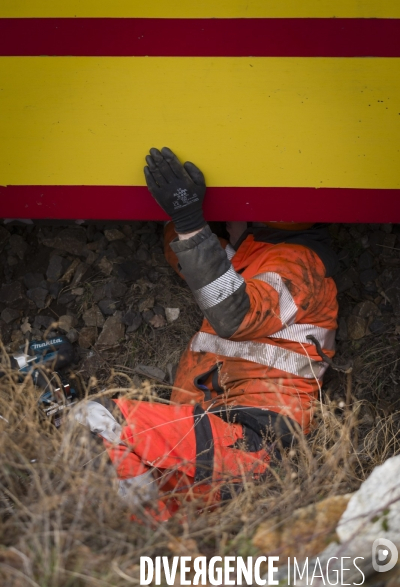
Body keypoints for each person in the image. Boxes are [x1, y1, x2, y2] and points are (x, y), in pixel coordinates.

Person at [70, 147, 338, 520]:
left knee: (94, 421)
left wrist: (189, 215)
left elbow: (235, 313)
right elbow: (193, 263)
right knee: (113, 486)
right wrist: (181, 215)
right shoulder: (250, 261)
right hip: (217, 451)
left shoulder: (298, 264)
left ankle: (147, 542)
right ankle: (155, 549)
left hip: (250, 442)